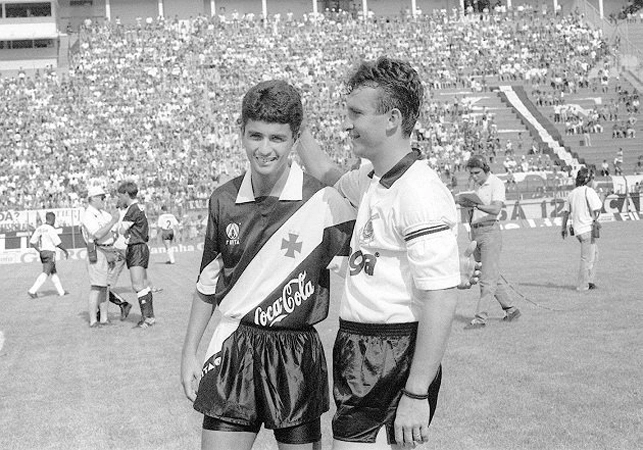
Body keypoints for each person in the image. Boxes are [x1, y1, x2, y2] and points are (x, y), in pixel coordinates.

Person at [297, 56, 462, 448]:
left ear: (391, 119)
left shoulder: (419, 191)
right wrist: (297, 124)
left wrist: (416, 394)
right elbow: (323, 171)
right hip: (359, 344)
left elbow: (441, 297)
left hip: (392, 350)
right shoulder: (372, 179)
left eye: (356, 113)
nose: (347, 122)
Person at [180, 79, 355, 450]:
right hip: (233, 347)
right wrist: (188, 353)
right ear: (240, 132)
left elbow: (366, 255)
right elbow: (206, 285)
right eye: (255, 136)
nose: (264, 148)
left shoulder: (322, 200)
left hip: (295, 351)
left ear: (295, 139)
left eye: (277, 138)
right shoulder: (224, 199)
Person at [456, 155, 521, 330]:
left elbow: (496, 209)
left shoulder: (496, 183)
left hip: (490, 230)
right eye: (471, 174)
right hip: (477, 232)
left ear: (486, 169)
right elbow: (474, 211)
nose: (474, 177)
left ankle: (480, 319)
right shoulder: (475, 186)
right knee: (490, 275)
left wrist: (476, 206)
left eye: (477, 173)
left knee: (486, 279)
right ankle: (511, 310)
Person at [116, 181, 156, 329]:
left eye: (120, 196)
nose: (120, 199)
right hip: (142, 246)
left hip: (136, 247)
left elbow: (121, 229)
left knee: (138, 285)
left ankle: (146, 318)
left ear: (126, 194)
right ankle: (149, 317)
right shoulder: (139, 207)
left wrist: (122, 226)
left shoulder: (132, 209)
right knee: (143, 284)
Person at [80, 186, 120, 328]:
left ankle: (103, 318)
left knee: (105, 287)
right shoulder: (88, 215)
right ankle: (93, 320)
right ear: (93, 198)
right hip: (97, 251)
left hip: (108, 251)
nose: (104, 200)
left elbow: (115, 228)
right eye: (102, 197)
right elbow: (97, 234)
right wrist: (112, 222)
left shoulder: (102, 213)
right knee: (96, 286)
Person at [560, 167, 602, 291]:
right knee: (586, 258)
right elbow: (597, 208)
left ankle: (589, 281)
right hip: (587, 229)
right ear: (587, 179)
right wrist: (603, 197)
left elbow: (566, 212)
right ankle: (583, 285)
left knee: (594, 253)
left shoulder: (572, 193)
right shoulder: (588, 191)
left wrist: (563, 228)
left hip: (578, 230)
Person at [27, 211, 70, 298]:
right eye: (54, 219)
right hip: (50, 252)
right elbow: (57, 242)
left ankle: (61, 292)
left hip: (43, 253)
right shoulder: (50, 229)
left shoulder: (39, 228)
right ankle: (32, 290)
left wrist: (40, 251)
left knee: (53, 271)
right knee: (46, 272)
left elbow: (32, 242)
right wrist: (65, 250)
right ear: (52, 219)